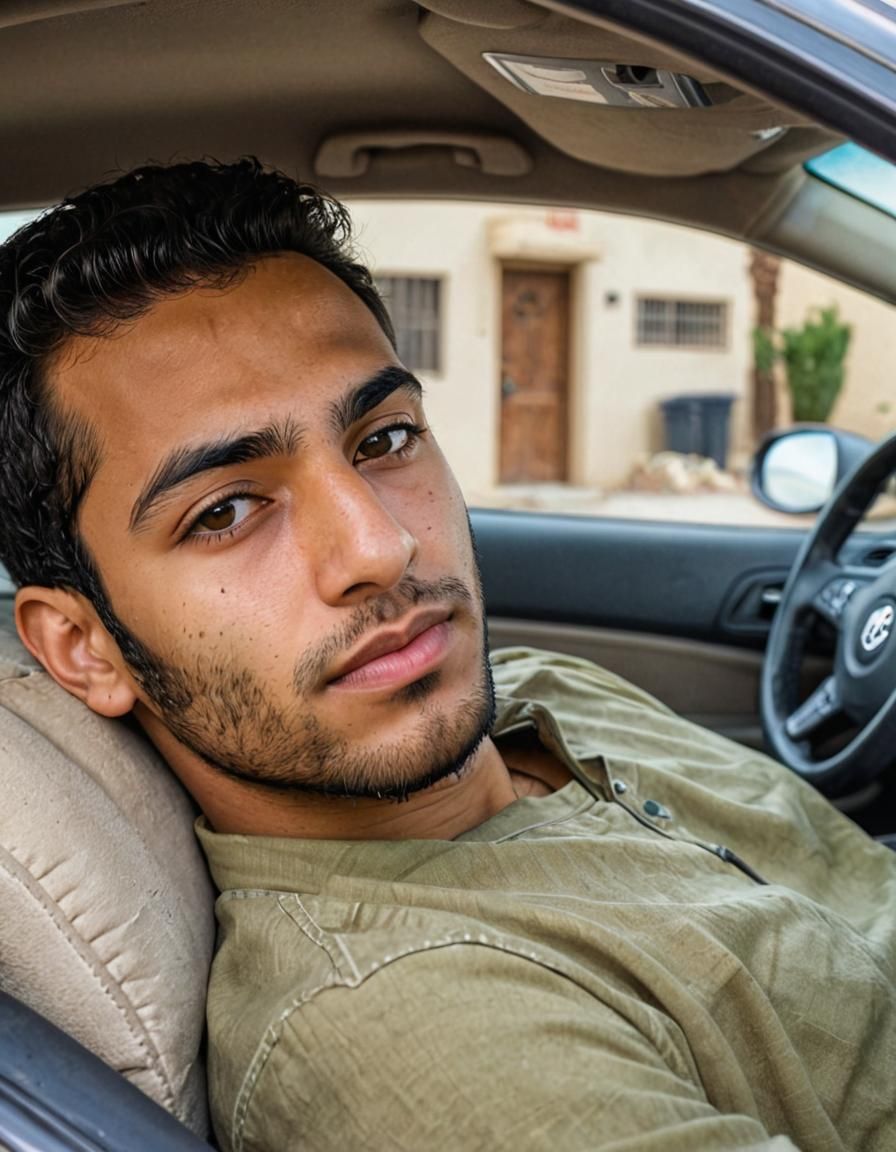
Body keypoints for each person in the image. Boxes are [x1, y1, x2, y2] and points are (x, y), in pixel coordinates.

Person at [0, 159, 893, 1152]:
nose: (379, 547)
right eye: (227, 510)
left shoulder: (548, 693)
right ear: (83, 650)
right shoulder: (404, 1026)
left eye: (381, 441)